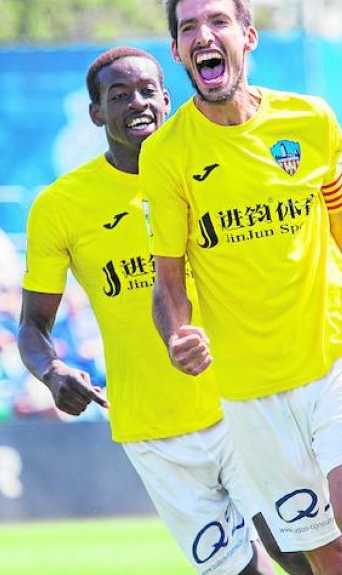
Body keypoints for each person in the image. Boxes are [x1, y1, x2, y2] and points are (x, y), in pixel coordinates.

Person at [142, 0, 342, 575]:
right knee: (329, 557)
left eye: (217, 21)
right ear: (176, 53)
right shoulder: (166, 155)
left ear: (247, 37)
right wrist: (178, 334)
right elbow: (169, 281)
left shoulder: (309, 122)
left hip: (338, 354)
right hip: (250, 388)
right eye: (188, 27)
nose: (203, 35)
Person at [18, 46, 312, 575]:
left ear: (167, 98)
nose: (137, 103)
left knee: (303, 553)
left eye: (148, 91)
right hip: (152, 432)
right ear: (95, 112)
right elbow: (32, 328)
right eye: (119, 94)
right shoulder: (60, 206)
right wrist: (51, 370)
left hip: (240, 404)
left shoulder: (212, 167)